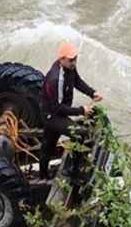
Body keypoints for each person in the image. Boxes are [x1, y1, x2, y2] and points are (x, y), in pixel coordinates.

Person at [39, 41, 103, 179]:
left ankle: (47, 174)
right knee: (78, 135)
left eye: (75, 59)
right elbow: (57, 108)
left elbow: (77, 81)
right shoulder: (55, 79)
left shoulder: (70, 68)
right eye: (70, 60)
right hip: (52, 115)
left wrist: (92, 93)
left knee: (48, 144)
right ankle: (72, 171)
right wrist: (81, 110)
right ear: (61, 59)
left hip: (60, 111)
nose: (74, 62)